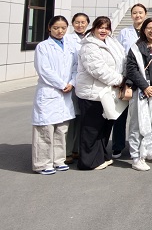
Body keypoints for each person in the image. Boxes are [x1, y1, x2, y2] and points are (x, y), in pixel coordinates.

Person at [76, 16, 127, 170]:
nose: (103, 30)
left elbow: (123, 60)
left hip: (107, 93)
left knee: (104, 127)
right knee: (91, 129)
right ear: (94, 28)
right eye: (100, 27)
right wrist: (120, 80)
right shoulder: (89, 46)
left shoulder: (112, 42)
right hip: (92, 94)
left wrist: (123, 77)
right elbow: (98, 70)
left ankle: (101, 156)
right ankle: (88, 162)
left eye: (106, 27)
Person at [31, 16, 77, 175]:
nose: (60, 31)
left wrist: (72, 82)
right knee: (45, 129)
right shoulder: (43, 47)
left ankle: (58, 160)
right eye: (56, 28)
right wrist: (62, 84)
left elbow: (76, 67)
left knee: (61, 129)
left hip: (66, 92)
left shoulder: (70, 46)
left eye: (63, 28)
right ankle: (43, 163)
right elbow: (44, 70)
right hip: (49, 91)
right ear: (49, 28)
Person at [125, 17, 152, 171]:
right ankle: (136, 157)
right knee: (136, 124)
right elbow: (131, 69)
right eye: (149, 28)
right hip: (139, 90)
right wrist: (145, 86)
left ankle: (145, 152)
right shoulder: (135, 48)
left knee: (149, 121)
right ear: (144, 30)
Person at [112, 3, 147, 159]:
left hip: (144, 78)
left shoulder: (149, 30)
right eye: (135, 13)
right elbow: (119, 54)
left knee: (141, 115)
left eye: (140, 12)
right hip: (127, 76)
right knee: (121, 113)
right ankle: (117, 146)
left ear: (145, 14)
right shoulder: (124, 32)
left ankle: (141, 146)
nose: (137, 15)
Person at [64, 12, 90, 165]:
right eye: (77, 22)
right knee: (71, 117)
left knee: (82, 118)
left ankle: (77, 149)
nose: (80, 25)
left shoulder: (90, 38)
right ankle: (67, 151)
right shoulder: (67, 39)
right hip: (71, 83)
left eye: (83, 22)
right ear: (72, 24)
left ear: (87, 23)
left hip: (85, 83)